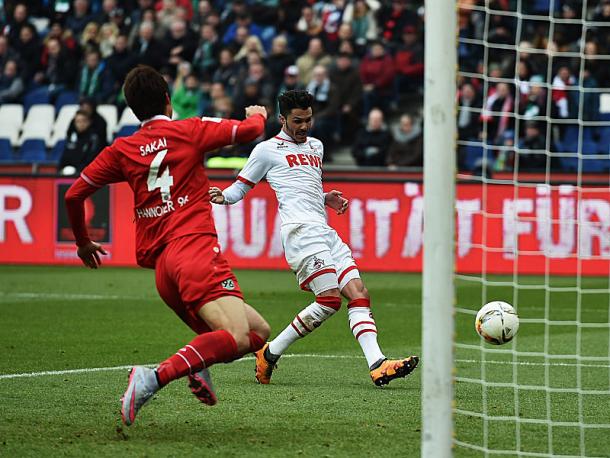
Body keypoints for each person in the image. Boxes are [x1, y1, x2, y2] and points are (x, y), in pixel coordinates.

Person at [64, 65, 271, 426]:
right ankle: (153, 377)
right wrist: (258, 115)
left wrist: (83, 243)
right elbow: (251, 130)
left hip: (164, 270)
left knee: (258, 333)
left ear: (132, 109)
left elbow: (74, 194)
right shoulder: (189, 130)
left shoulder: (123, 149)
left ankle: (198, 365)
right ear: (168, 100)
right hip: (194, 252)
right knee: (236, 336)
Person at [209, 90, 418, 387]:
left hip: (323, 230)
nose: (304, 126)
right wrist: (222, 196)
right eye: (297, 121)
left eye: (308, 119)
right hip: (300, 233)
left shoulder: (316, 146)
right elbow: (240, 188)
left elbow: (300, 188)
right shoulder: (266, 150)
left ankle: (377, 364)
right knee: (330, 300)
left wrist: (324, 197)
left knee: (358, 293)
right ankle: (269, 353)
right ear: (282, 119)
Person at [59, 109, 106, 174]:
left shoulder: (94, 139)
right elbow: (64, 159)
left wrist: (77, 171)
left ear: (89, 122)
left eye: (83, 121)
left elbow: (92, 161)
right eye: (77, 121)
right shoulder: (71, 138)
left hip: (86, 175)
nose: (80, 124)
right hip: (69, 175)